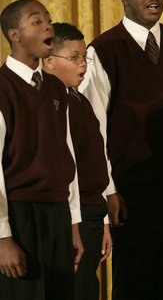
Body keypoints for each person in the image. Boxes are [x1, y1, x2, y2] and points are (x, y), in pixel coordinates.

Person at [80, 0, 163, 299]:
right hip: (131, 189)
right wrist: (109, 191)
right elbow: (94, 129)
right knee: (135, 279)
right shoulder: (103, 50)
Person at [0, 0, 83, 299]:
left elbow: (66, 152)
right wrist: (3, 237)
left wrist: (73, 223)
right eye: (36, 21)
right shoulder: (4, 88)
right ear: (15, 35)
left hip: (57, 213)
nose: (48, 25)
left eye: (48, 19)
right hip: (20, 215)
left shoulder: (56, 87)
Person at [42, 22, 114, 300]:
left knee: (87, 287)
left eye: (85, 57)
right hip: (73, 215)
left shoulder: (79, 100)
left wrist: (104, 219)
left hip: (93, 211)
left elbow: (96, 159)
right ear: (49, 61)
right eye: (74, 58)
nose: (83, 64)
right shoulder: (49, 104)